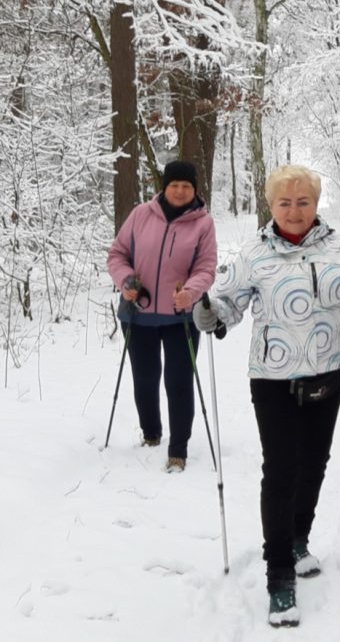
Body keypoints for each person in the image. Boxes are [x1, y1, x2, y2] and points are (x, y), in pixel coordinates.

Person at [192, 164, 340, 628]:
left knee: (315, 462)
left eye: (303, 202)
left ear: (316, 205)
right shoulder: (254, 253)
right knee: (280, 471)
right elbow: (229, 304)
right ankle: (279, 573)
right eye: (285, 202)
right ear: (271, 205)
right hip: (273, 379)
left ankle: (298, 537)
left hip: (330, 371)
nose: (294, 211)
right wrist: (210, 314)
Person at [106, 160, 217, 473]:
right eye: (174, 185)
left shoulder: (203, 224)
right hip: (138, 313)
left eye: (186, 186)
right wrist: (126, 280)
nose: (180, 191)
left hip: (180, 315)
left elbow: (206, 268)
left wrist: (191, 291)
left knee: (179, 382)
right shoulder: (141, 214)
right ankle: (151, 434)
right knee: (145, 378)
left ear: (195, 189)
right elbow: (117, 255)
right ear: (164, 187)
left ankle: (178, 448)